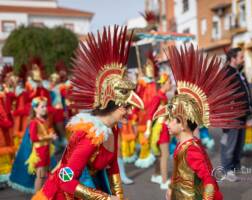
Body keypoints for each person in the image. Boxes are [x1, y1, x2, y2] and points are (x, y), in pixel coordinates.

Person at [32, 25, 144, 200]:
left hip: (89, 190)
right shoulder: (89, 137)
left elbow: (113, 166)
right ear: (109, 104)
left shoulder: (113, 128)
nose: (131, 111)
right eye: (126, 106)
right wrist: (106, 198)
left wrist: (119, 197)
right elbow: (64, 180)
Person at [153, 44, 246, 200]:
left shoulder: (192, 150)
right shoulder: (183, 144)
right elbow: (179, 172)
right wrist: (171, 187)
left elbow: (209, 182)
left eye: (171, 120)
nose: (166, 123)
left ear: (182, 124)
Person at [9, 97, 56, 193]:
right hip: (40, 152)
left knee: (44, 175)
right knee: (40, 175)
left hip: (46, 150)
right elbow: (34, 138)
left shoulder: (42, 121)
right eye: (42, 107)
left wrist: (50, 136)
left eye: (45, 106)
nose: (45, 108)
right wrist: (49, 137)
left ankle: (42, 194)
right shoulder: (34, 122)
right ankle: (36, 196)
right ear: (35, 108)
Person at [221, 47, 252, 182]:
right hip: (232, 116)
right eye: (241, 57)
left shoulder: (239, 72)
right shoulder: (226, 73)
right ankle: (227, 170)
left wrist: (249, 111)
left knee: (239, 143)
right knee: (229, 143)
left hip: (242, 114)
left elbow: (246, 92)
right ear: (233, 58)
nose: (243, 59)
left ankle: (235, 166)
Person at [147, 73, 172, 190]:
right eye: (169, 82)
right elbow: (150, 114)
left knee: (160, 155)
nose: (171, 84)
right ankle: (163, 181)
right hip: (160, 129)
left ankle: (156, 175)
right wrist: (148, 130)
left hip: (164, 127)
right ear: (164, 83)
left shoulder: (164, 96)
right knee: (165, 155)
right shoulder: (158, 97)